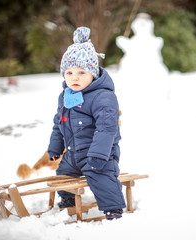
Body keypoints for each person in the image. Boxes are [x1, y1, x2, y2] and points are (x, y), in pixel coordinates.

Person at [48, 26, 125, 220]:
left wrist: (99, 155)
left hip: (100, 155)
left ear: (93, 73)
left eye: (82, 72)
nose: (74, 77)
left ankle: (113, 208)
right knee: (63, 174)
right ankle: (69, 199)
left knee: (101, 177)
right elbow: (59, 123)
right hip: (73, 154)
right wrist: (55, 148)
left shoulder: (103, 97)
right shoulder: (65, 96)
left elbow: (107, 128)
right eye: (69, 72)